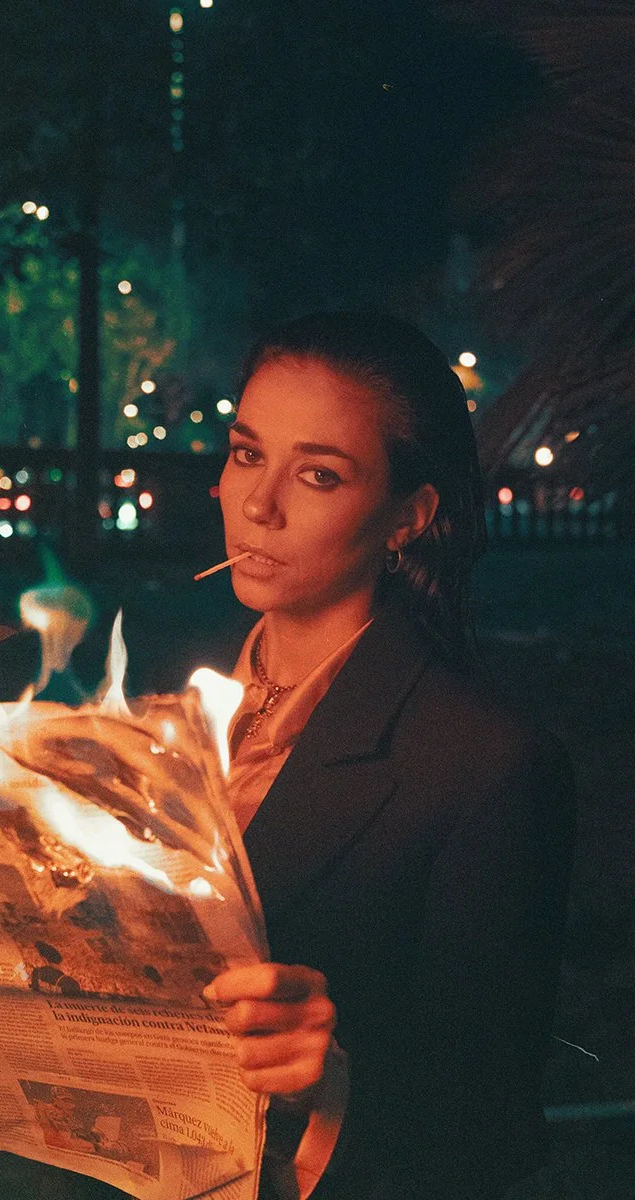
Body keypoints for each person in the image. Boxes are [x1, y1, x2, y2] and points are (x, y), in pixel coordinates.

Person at [202, 310, 575, 1200]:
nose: (257, 504)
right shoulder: (161, 704)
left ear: (408, 517)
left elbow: (490, 1122)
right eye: (248, 453)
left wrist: (330, 1082)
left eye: (318, 474)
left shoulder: (484, 766)